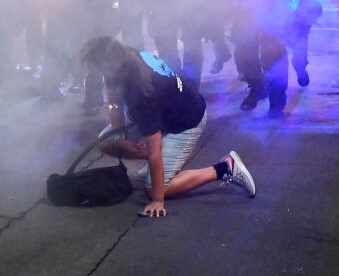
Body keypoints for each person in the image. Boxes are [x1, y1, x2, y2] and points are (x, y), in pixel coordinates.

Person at [80, 36, 256, 217]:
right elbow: (114, 103)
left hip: (186, 123)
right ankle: (158, 170)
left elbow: (154, 150)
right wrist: (119, 138)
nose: (93, 73)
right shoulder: (123, 57)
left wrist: (157, 200)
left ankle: (226, 168)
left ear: (107, 65)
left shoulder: (140, 93)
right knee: (107, 141)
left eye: (94, 68)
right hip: (163, 116)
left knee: (156, 188)